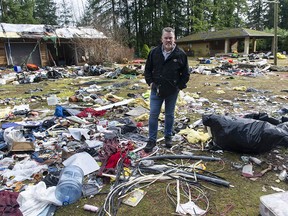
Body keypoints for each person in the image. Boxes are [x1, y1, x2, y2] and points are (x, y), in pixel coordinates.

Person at [144, 27, 190, 153]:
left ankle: (168, 136)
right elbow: (147, 69)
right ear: (162, 39)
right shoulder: (154, 52)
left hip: (172, 92)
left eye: (170, 38)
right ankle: (152, 139)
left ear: (174, 39)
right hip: (156, 90)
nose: (168, 40)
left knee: (169, 115)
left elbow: (185, 74)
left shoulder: (180, 54)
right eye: (166, 38)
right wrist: (151, 82)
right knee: (153, 115)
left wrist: (178, 86)